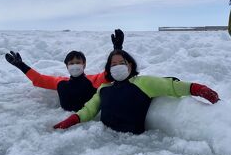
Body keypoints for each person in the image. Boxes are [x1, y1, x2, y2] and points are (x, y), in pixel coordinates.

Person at [54, 49, 220, 134]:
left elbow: (170, 86)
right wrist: (71, 121)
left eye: (121, 63)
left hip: (135, 149)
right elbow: (89, 110)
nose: (117, 67)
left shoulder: (143, 82)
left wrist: (197, 88)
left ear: (130, 65)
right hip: (104, 140)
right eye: (113, 65)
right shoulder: (104, 89)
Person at [5, 29, 124, 112]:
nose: (75, 65)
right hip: (66, 124)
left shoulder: (94, 80)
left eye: (78, 62)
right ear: (67, 66)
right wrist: (21, 65)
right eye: (71, 63)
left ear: (84, 64)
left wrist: (117, 50)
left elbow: (111, 73)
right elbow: (39, 80)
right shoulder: (61, 83)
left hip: (88, 123)